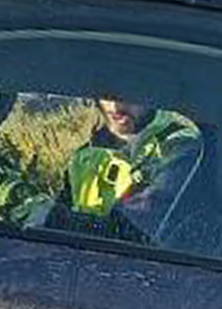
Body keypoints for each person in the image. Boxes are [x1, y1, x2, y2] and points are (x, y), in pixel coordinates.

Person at [63, 98, 204, 236]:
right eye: (106, 95)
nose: (115, 106)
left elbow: (143, 224)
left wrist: (76, 224)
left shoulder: (179, 144)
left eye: (127, 95)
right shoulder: (91, 147)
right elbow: (65, 203)